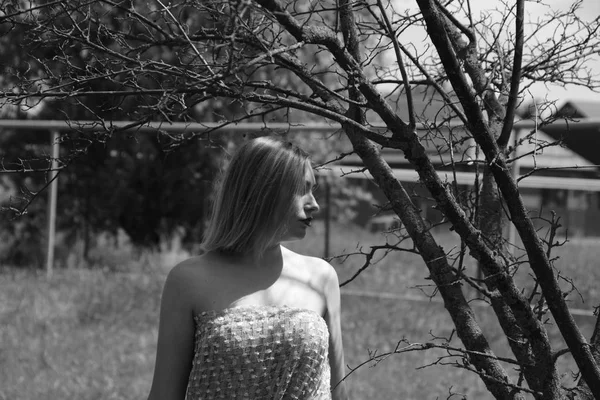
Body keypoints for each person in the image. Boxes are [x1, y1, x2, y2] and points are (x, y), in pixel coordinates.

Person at [147, 136, 348, 400]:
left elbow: (340, 393)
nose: (314, 203)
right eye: (302, 189)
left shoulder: (321, 277)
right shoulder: (188, 280)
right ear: (263, 192)